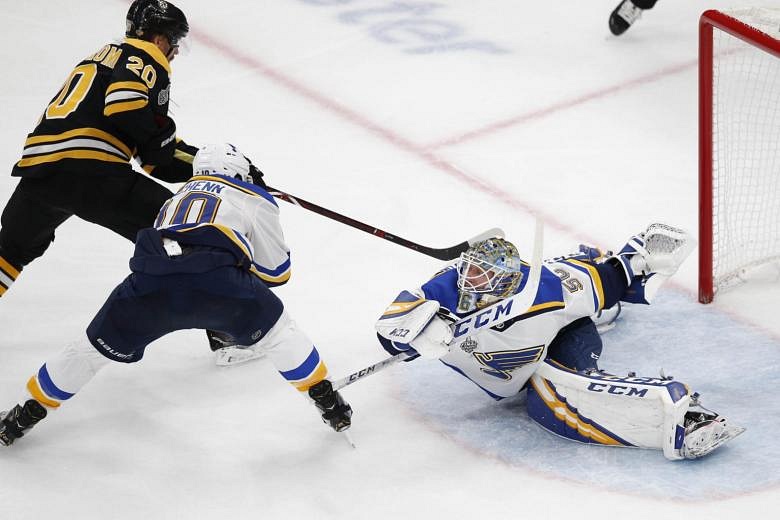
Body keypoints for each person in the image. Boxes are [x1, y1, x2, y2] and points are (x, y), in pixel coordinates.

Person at [0, 143, 352, 447]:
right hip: (220, 286)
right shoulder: (253, 197)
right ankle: (326, 399)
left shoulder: (175, 198)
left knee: (87, 351)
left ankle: (24, 413)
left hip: (150, 284)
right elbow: (278, 272)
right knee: (280, 334)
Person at [374, 224, 744, 460]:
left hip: (560, 340)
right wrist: (415, 334)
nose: (469, 279)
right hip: (505, 372)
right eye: (469, 268)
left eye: (482, 275)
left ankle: (681, 415)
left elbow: (609, 275)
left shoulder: (549, 288)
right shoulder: (445, 288)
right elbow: (391, 330)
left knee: (555, 400)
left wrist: (641, 258)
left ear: (505, 281)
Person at [0, 0, 197, 298]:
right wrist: (173, 146)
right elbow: (124, 106)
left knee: (9, 254)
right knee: (187, 230)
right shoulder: (146, 55)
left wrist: (208, 165)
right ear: (159, 39)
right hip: (92, 172)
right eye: (174, 41)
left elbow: (156, 160)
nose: (176, 50)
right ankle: (227, 332)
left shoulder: (99, 59)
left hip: (40, 173)